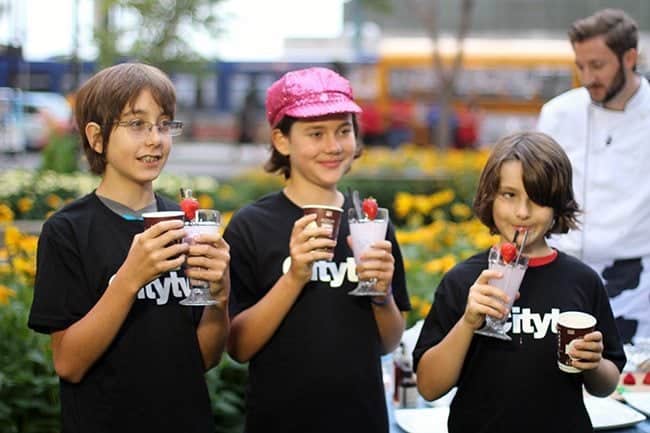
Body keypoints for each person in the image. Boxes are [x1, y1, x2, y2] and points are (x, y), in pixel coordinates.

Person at [27, 63, 230, 433]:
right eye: (137, 124)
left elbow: (203, 358)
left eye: (164, 123)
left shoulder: (188, 224)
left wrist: (219, 298)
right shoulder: (67, 231)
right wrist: (129, 279)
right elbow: (69, 364)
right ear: (96, 137)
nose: (155, 138)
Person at [223, 67, 410, 433]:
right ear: (281, 141)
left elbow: (388, 342)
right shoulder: (251, 225)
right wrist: (294, 276)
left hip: (363, 419)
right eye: (315, 133)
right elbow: (238, 346)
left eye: (344, 130)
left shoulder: (371, 226)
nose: (334, 146)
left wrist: (381, 295)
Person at [413, 132, 625, 433]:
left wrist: (593, 363)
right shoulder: (463, 281)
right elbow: (428, 387)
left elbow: (606, 384)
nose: (522, 212)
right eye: (509, 195)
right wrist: (468, 322)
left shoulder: (582, 281)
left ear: (557, 206)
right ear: (490, 197)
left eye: (537, 199)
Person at [537, 9, 650, 343]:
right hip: (564, 272)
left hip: (637, 281)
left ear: (629, 57)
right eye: (580, 66)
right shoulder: (557, 113)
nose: (587, 77)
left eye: (597, 66)